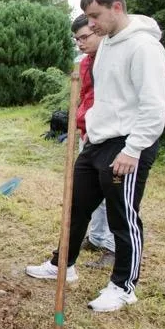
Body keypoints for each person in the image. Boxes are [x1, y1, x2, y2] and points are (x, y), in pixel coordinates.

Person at [26, 0, 165, 312]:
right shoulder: (106, 44)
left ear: (116, 7)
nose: (90, 24)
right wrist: (90, 131)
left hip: (128, 144)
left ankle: (123, 286)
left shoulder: (144, 48)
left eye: (95, 16)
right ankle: (64, 265)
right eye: (87, 18)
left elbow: (154, 105)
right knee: (75, 208)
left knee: (123, 217)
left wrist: (133, 149)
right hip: (98, 142)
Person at [72, 14, 115, 269]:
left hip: (110, 138)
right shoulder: (86, 63)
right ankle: (97, 238)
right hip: (89, 133)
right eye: (76, 39)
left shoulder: (113, 60)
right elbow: (87, 96)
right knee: (90, 192)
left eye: (84, 37)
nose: (80, 43)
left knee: (113, 194)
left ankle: (113, 247)